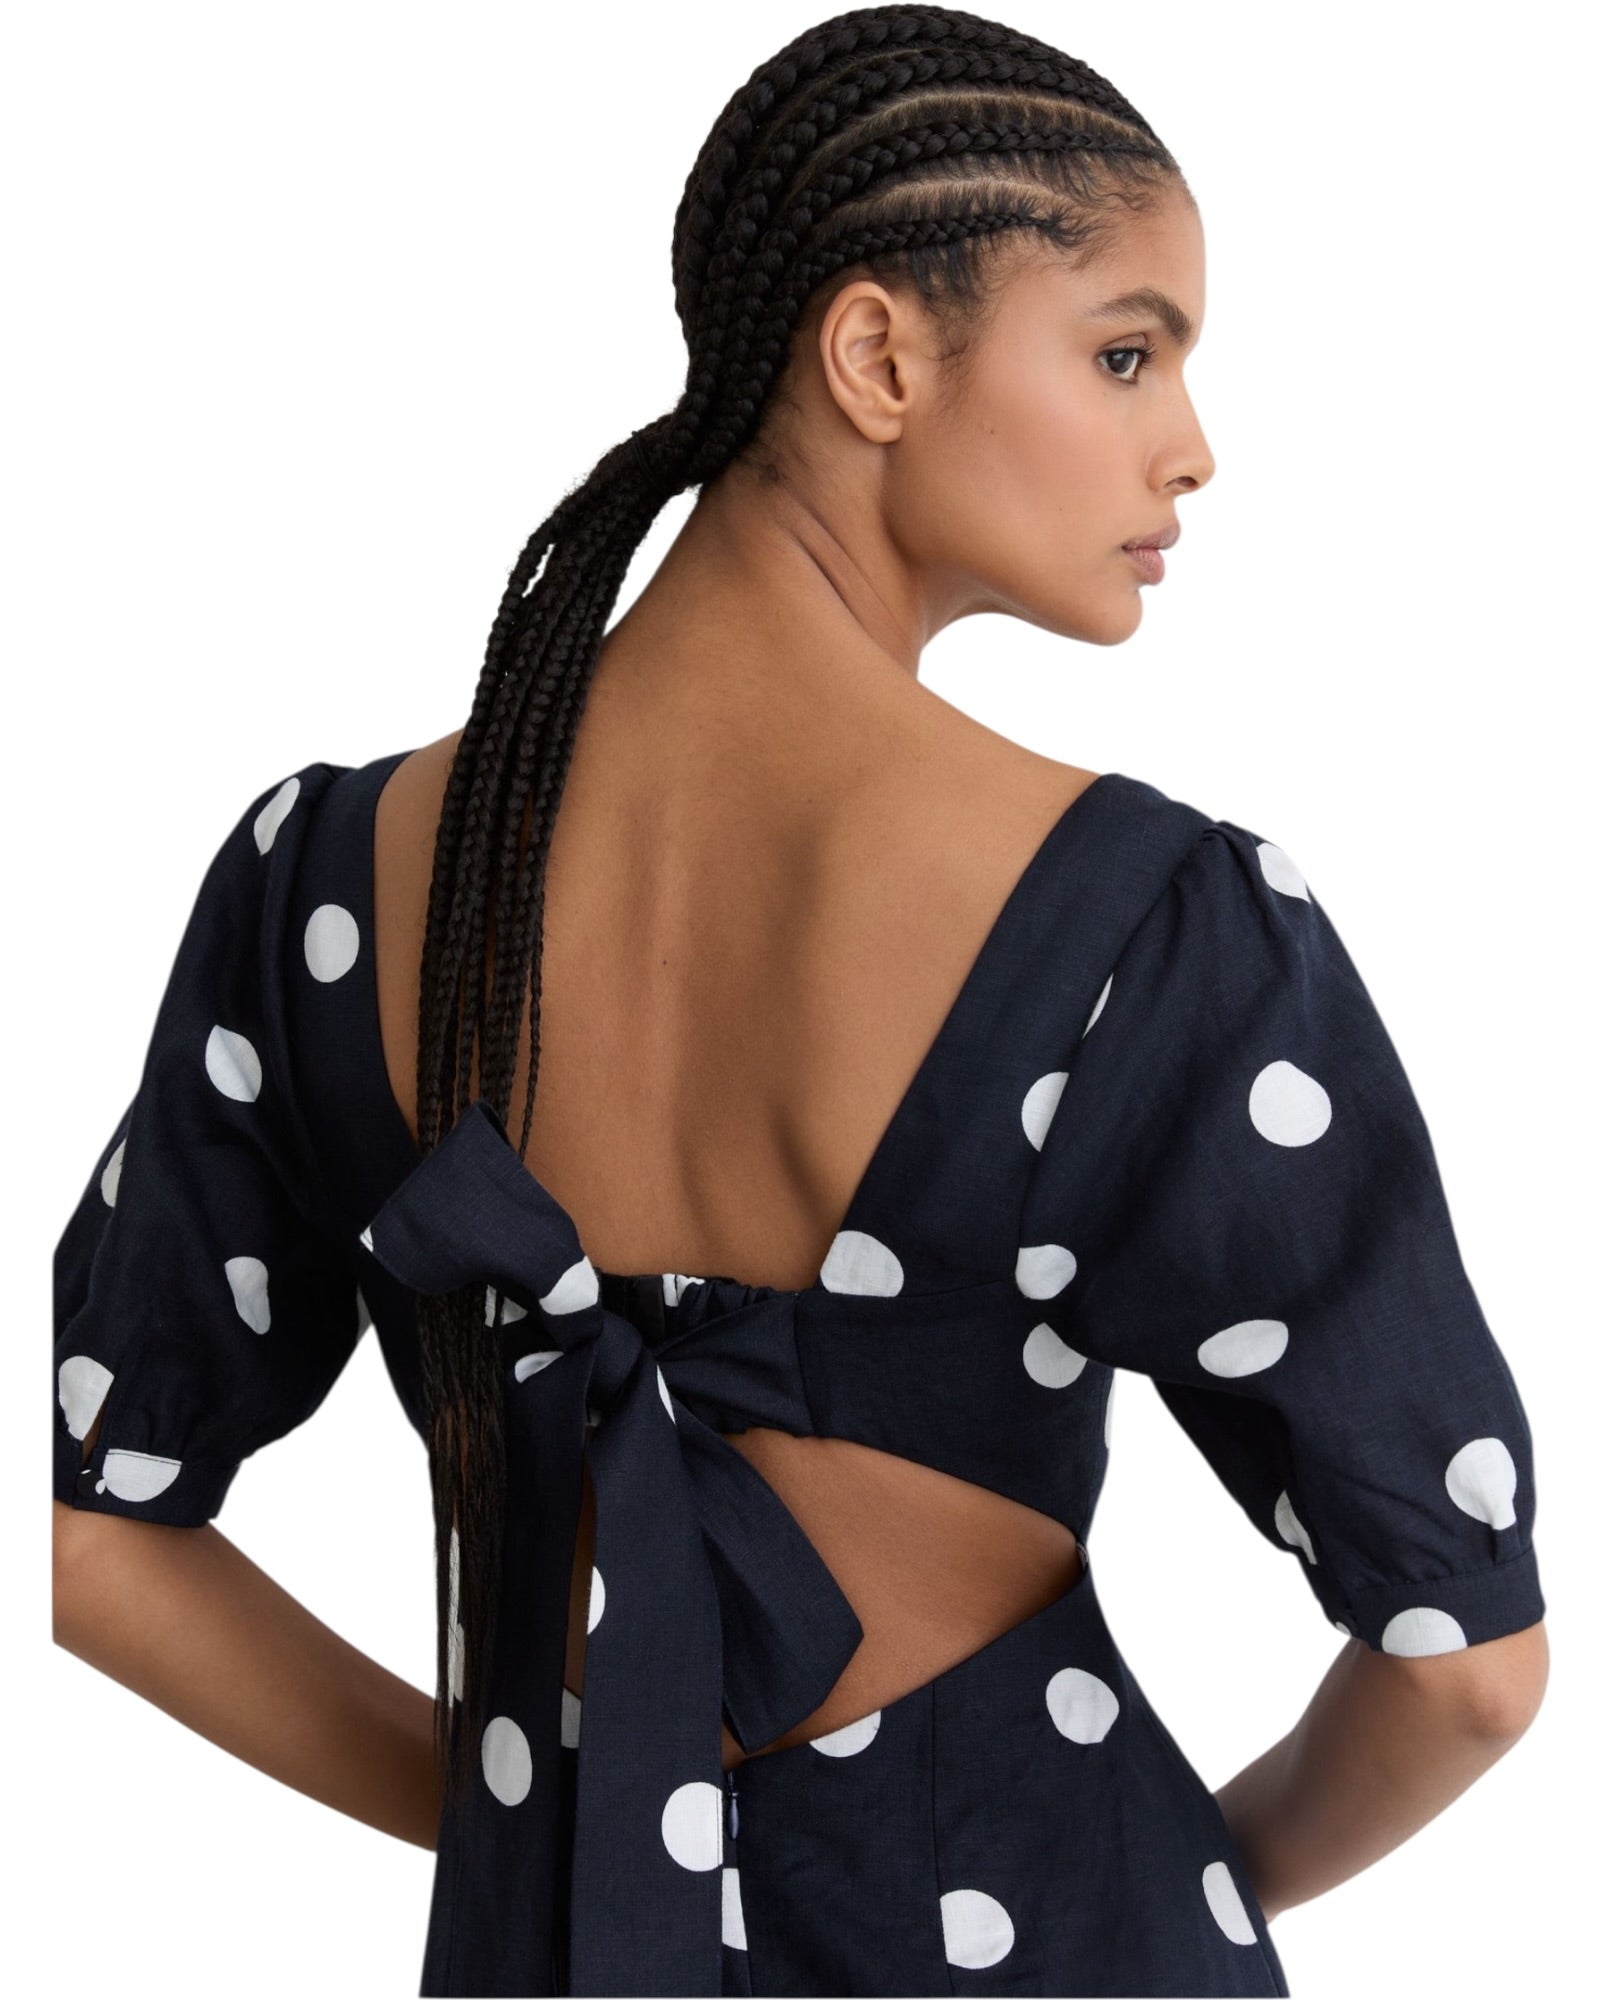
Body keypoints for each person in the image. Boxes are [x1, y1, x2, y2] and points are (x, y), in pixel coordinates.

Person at [51, 6, 1549, 1995]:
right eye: (1127, 352)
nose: (1192, 444)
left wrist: (567, 1806)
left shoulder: (326, 881)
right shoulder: (1151, 930)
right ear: (877, 358)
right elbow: (1463, 1668)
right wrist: (1184, 1886)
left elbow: (89, 1540)